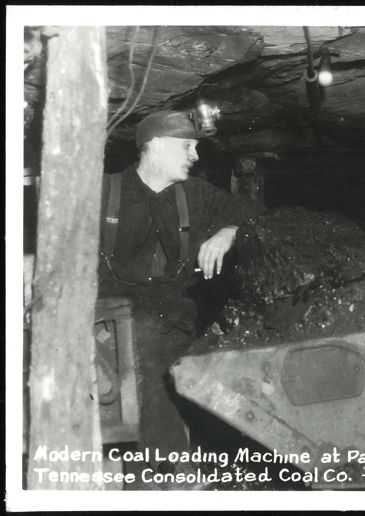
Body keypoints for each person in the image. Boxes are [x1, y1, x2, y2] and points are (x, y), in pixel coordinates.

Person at [97, 110, 261, 470]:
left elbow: (251, 212)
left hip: (176, 314)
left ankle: (192, 465)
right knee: (152, 351)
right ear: (154, 145)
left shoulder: (196, 195)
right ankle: (172, 469)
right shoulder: (104, 191)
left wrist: (227, 232)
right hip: (111, 321)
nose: (196, 155)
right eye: (187, 146)